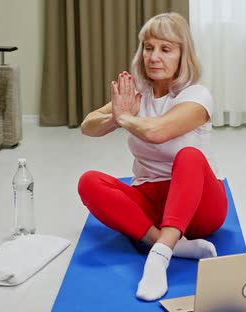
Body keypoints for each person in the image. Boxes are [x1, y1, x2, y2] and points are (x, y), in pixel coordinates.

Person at [77, 12, 227, 302]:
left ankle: (158, 257)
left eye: (165, 49)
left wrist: (123, 117)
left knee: (190, 156)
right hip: (152, 204)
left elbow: (157, 132)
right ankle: (170, 242)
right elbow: (88, 126)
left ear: (183, 55)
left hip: (199, 205)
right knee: (89, 182)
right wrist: (116, 118)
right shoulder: (137, 93)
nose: (154, 57)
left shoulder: (197, 95)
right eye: (148, 47)